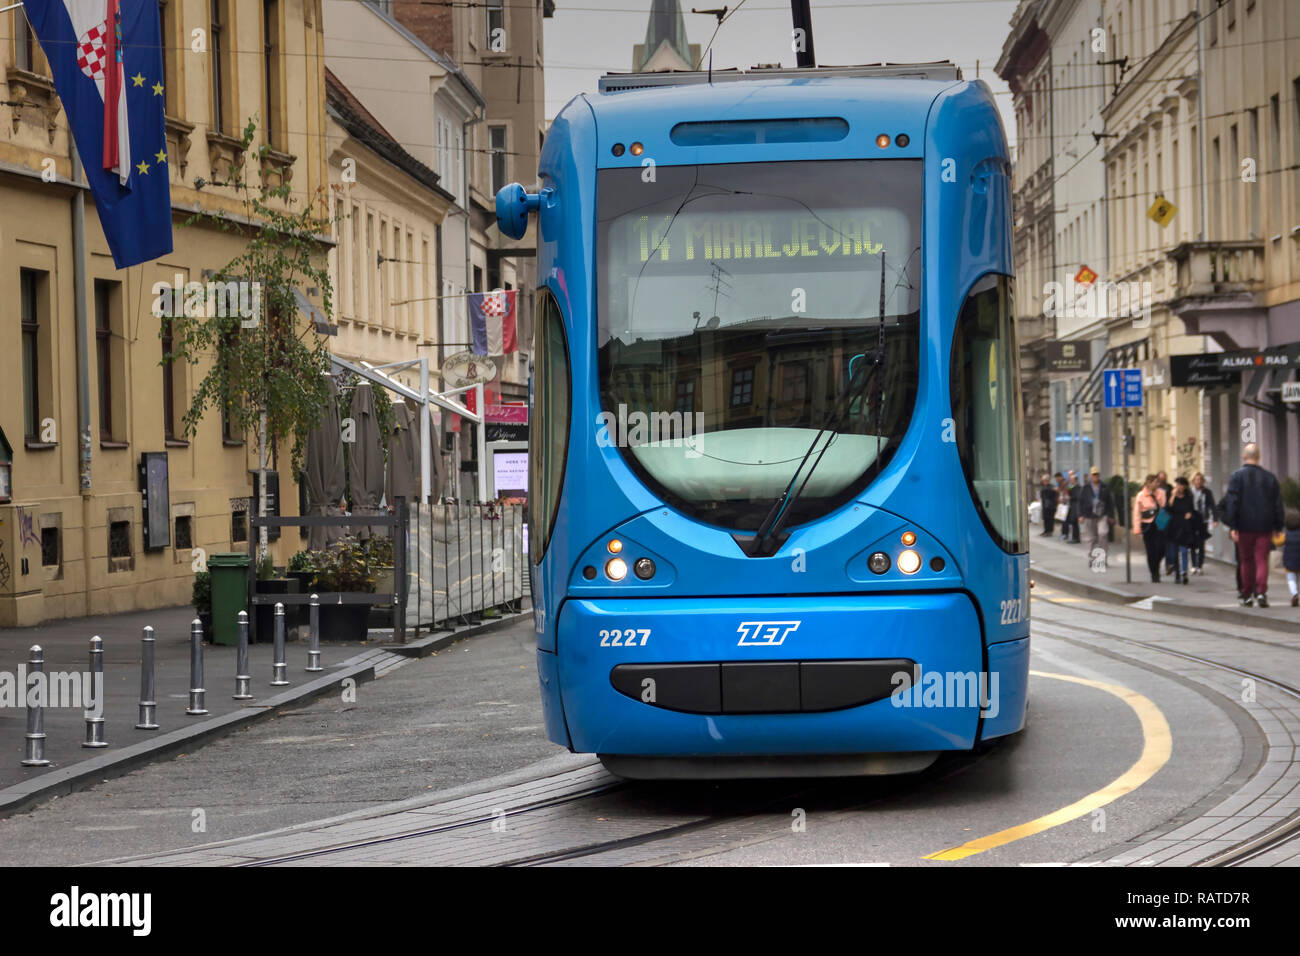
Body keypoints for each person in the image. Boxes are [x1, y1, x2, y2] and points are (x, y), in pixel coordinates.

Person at [1221, 443, 1285, 608]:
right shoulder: (1270, 478)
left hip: (1243, 526)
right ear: (1259, 456)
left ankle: (1247, 595)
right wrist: (1278, 526)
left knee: (1246, 561)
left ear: (1244, 456)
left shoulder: (1236, 476)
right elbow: (1277, 504)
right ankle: (1262, 592)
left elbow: (1232, 502)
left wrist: (1233, 526)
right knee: (1261, 560)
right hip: (1264, 526)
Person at [1163, 477, 1199, 585]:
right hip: (1173, 526)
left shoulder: (1188, 497)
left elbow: (1192, 510)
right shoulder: (1170, 495)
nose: (1179, 487)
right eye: (1177, 484)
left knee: (1184, 551)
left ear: (1185, 487)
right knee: (1174, 553)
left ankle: (1184, 573)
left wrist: (1190, 514)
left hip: (1184, 527)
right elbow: (1167, 508)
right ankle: (1177, 572)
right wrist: (1173, 495)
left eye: (1181, 485)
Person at [1132, 474, 1167, 583]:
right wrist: (1137, 528)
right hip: (1147, 524)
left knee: (1162, 548)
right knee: (1150, 550)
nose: (1157, 484)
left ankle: (1156, 564)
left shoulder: (1161, 493)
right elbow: (1137, 513)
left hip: (1159, 523)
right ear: (1149, 483)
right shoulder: (1141, 495)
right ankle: (1154, 573)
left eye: (1157, 482)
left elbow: (1164, 507)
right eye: (1155, 482)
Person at [1077, 466, 1115, 567]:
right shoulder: (1085, 488)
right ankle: (1092, 558)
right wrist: (1080, 515)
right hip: (1089, 515)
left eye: (1097, 475)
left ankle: (1102, 558)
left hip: (1102, 515)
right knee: (1090, 538)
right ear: (1090, 476)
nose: (1095, 477)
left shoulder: (1104, 487)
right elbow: (1080, 502)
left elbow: (1110, 502)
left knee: (1103, 534)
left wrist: (1111, 515)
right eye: (1093, 475)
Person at [1189, 472, 1217, 575]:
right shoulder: (1189, 492)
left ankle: (1200, 565)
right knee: (1192, 543)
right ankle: (1193, 565)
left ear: (1203, 481)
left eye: (1200, 480)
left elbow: (1212, 505)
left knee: (1201, 543)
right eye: (1196, 479)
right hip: (1192, 520)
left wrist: (1215, 519)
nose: (1198, 482)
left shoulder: (1207, 492)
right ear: (1193, 481)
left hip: (1203, 520)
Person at [1283, 509, 1300, 608]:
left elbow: (1277, 541)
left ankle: (1294, 594)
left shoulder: (1285, 535)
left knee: (1291, 579)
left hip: (1289, 562)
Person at [1063, 469, 1081, 543]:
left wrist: (1070, 497)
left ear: (1075, 480)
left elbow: (1077, 496)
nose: (1070, 480)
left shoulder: (1077, 487)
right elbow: (1068, 490)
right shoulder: (1071, 486)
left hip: (1075, 506)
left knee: (1074, 522)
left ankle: (1076, 538)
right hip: (1071, 506)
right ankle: (1073, 536)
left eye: (1072, 479)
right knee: (1072, 521)